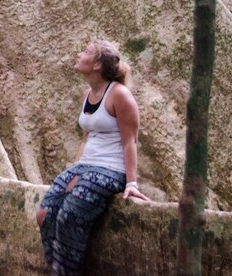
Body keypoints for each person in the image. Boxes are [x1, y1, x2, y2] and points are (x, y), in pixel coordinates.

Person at [35, 40, 149, 275]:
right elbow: (86, 139)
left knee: (69, 215)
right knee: (44, 214)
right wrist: (74, 170)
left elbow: (130, 141)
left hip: (111, 169)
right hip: (86, 165)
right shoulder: (89, 94)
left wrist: (132, 183)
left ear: (97, 64)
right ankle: (58, 268)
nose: (79, 54)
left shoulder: (120, 95)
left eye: (85, 51)